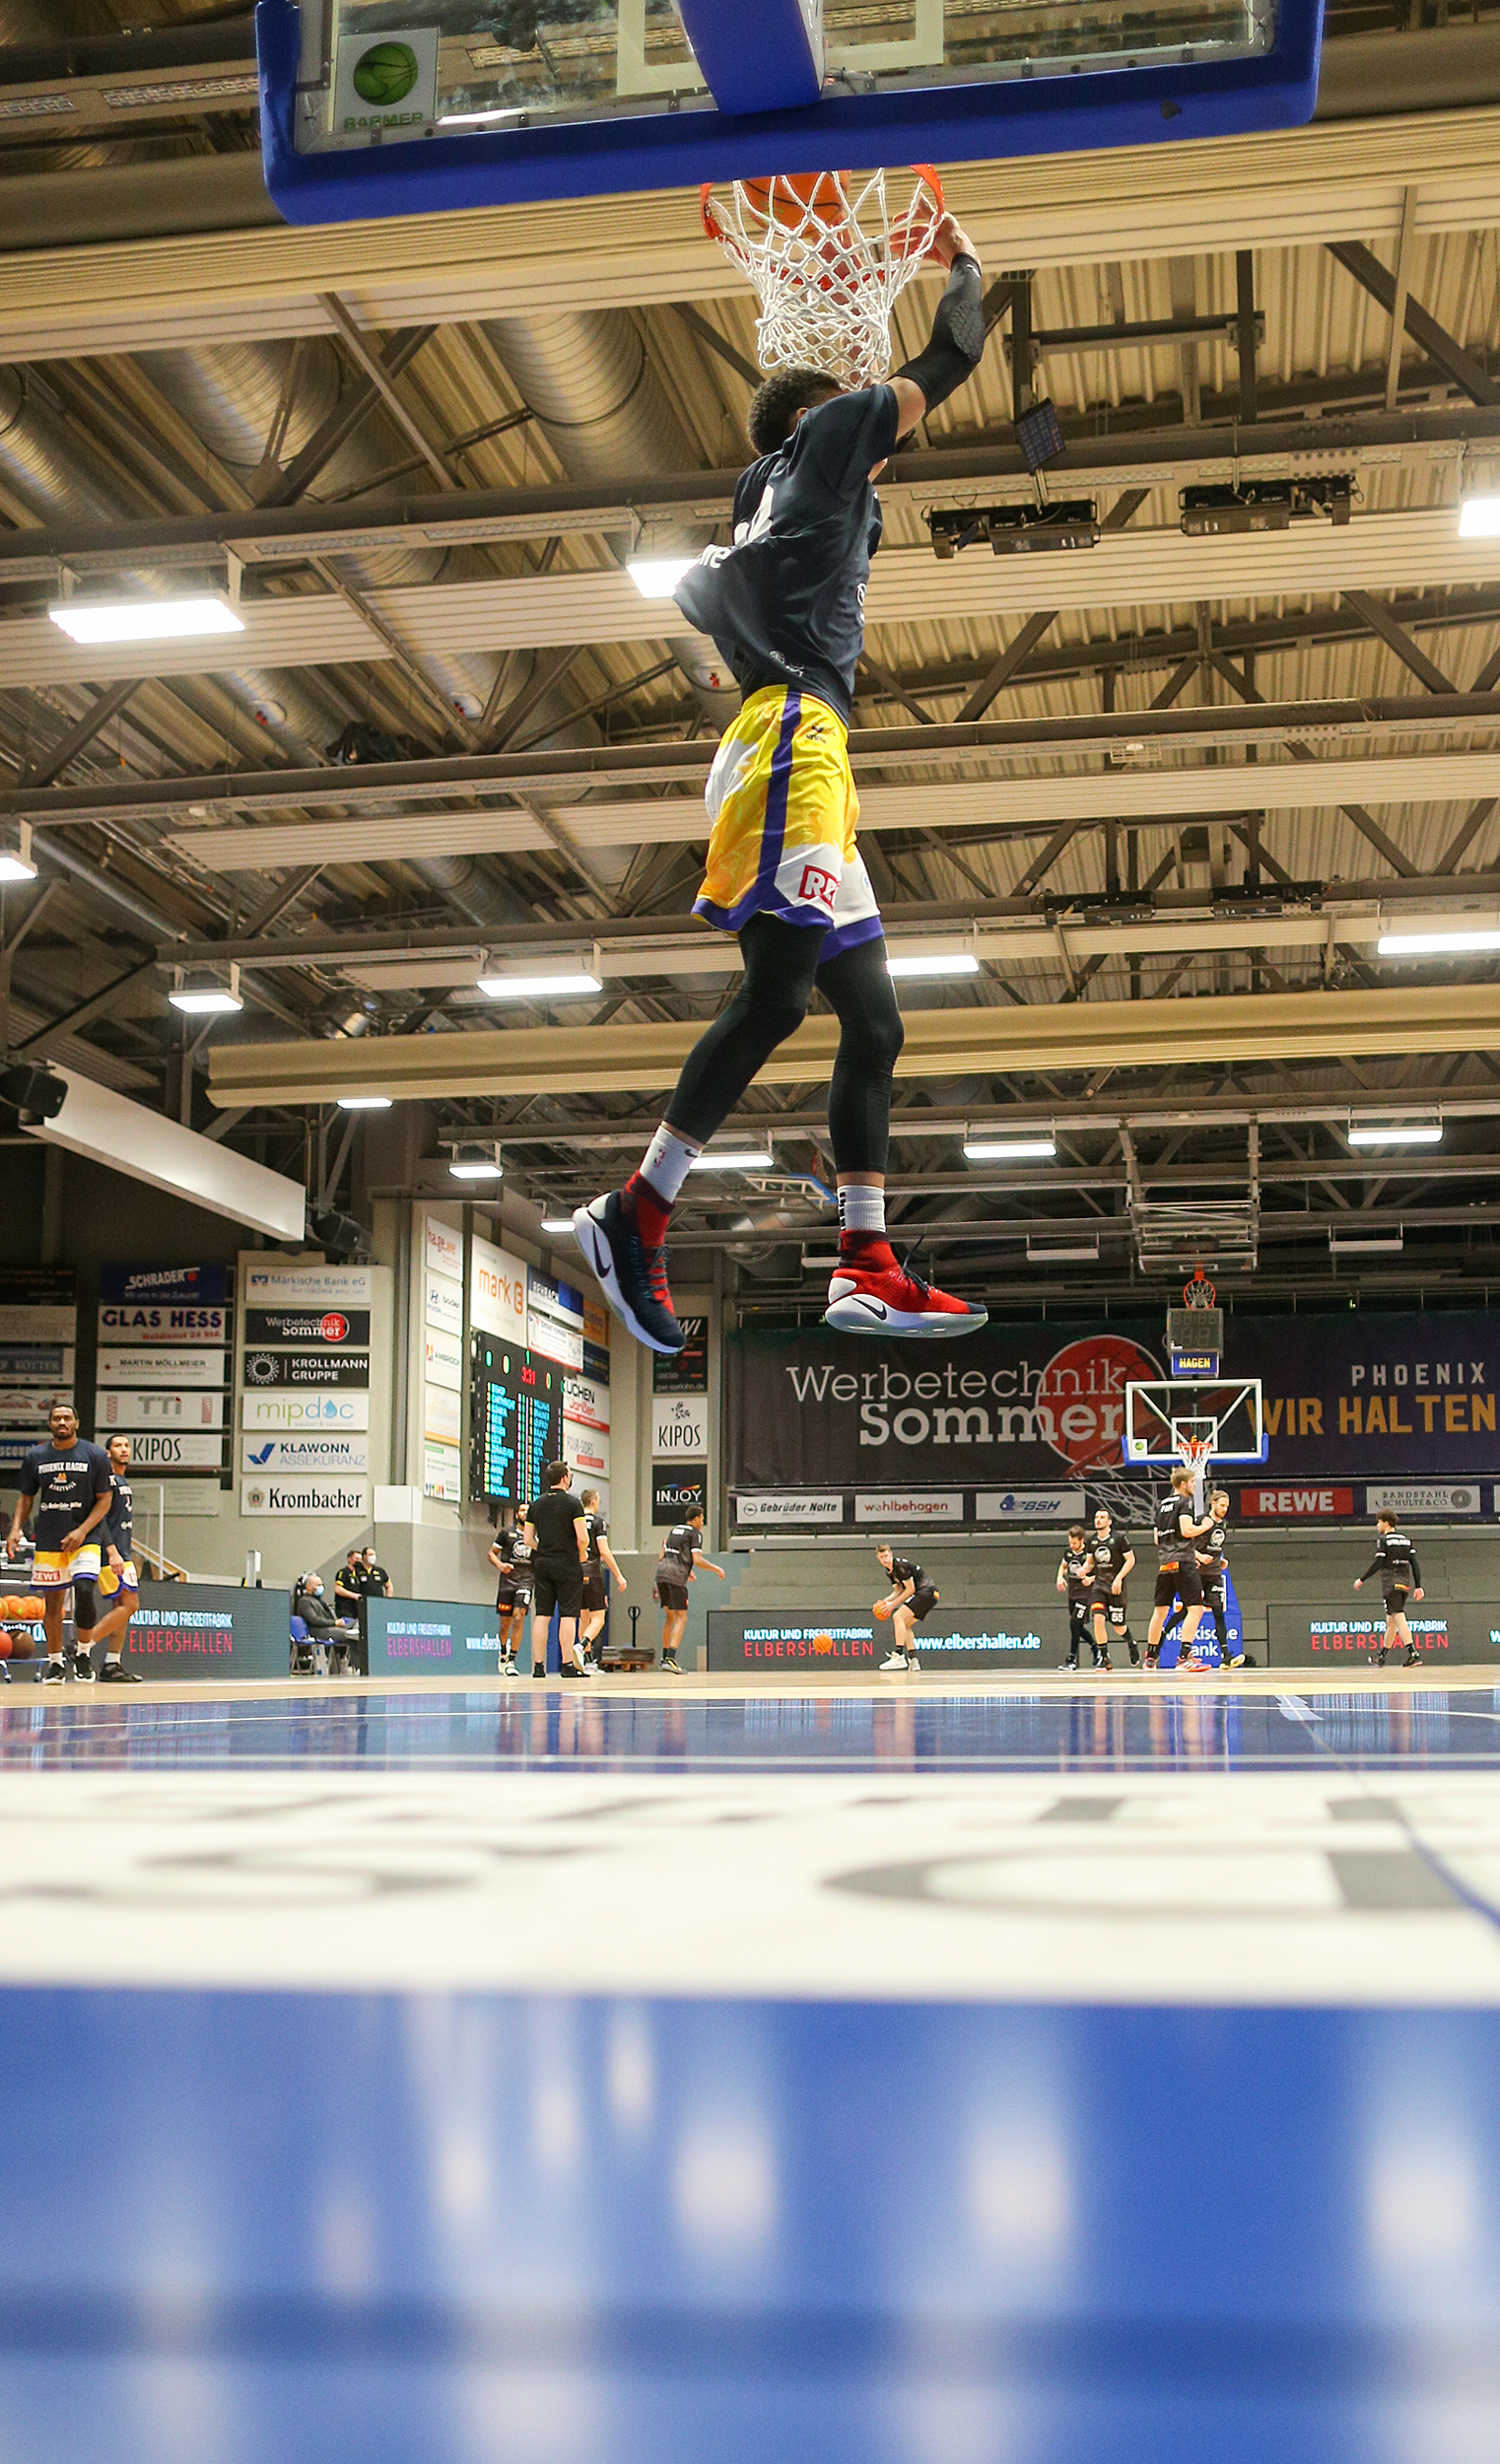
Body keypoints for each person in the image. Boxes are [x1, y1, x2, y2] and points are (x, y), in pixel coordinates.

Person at [571, 211, 990, 1356]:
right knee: (776, 997)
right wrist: (962, 260)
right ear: (823, 419)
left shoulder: (764, 493)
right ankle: (635, 1208)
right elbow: (952, 353)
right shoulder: (827, 438)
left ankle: (865, 1260)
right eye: (862, 421)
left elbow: (814, 544)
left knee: (874, 1020)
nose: (881, 435)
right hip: (794, 739)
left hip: (806, 747)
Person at [5, 1403, 111, 1683]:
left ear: (76, 1423)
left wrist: (83, 1530)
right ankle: (55, 1663)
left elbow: (105, 1500)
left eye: (67, 1418)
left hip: (85, 1536)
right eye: (56, 1418)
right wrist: (15, 1529)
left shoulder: (94, 1455)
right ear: (50, 1424)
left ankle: (84, 1652)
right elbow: (26, 1497)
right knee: (53, 1602)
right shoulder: (36, 1456)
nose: (62, 1422)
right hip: (50, 1537)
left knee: (84, 1589)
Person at [81, 1431, 144, 1683]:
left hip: (123, 1551)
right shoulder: (106, 1481)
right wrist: (111, 1550)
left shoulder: (122, 1480)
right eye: (118, 1445)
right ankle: (82, 1646)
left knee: (122, 1608)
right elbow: (100, 1518)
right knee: (131, 1604)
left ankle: (112, 1663)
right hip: (111, 1552)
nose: (124, 1449)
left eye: (127, 1445)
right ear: (108, 1453)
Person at [523, 1462, 590, 1679]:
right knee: (568, 1615)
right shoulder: (573, 1504)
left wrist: (544, 1548)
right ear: (564, 1478)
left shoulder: (535, 1504)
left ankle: (538, 1667)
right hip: (567, 1562)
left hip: (543, 1562)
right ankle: (567, 1665)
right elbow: (583, 1538)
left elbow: (528, 1539)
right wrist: (581, 1554)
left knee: (542, 1615)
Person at [1144, 1467, 1212, 1674]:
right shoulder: (1186, 1502)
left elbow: (1157, 1539)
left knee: (1160, 1611)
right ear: (1183, 1484)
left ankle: (1150, 1658)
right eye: (1192, 1482)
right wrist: (1206, 1525)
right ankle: (1183, 1658)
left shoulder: (1161, 1505)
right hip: (1183, 1561)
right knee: (1196, 1608)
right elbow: (1187, 1530)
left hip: (1165, 1562)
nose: (1194, 1485)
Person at [655, 1505, 723, 1675]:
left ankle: (664, 1658)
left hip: (661, 1574)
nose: (702, 1522)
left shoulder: (674, 1530)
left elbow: (662, 1556)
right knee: (682, 1617)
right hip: (676, 1578)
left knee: (669, 1616)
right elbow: (697, 1560)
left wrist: (686, 1570)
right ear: (697, 1518)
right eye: (702, 1518)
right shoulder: (695, 1534)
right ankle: (671, 1658)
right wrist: (716, 1569)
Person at [1354, 1512, 1424, 1669]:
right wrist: (1418, 1586)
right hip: (1404, 1584)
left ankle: (1413, 1653)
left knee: (1398, 1616)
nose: (1377, 1526)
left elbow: (1378, 1563)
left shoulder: (1384, 1540)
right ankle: (1382, 1656)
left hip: (1390, 1584)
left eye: (1379, 1522)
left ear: (1386, 1523)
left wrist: (1362, 1579)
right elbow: (1415, 1564)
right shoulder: (1406, 1540)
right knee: (1391, 1621)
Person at [577, 1485, 627, 1666]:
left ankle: (586, 1660)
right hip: (592, 1572)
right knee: (598, 1618)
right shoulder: (598, 1523)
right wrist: (619, 1575)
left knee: (583, 1617)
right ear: (593, 1502)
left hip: (575, 1572)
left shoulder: (575, 1521)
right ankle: (582, 1646)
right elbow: (604, 1551)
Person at [1198, 1487, 1248, 1670]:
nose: (1225, 1509)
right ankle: (1159, 1648)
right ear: (1213, 1503)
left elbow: (1213, 1546)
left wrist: (1220, 1560)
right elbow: (1188, 1545)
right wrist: (1199, 1557)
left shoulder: (1223, 1525)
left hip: (1213, 1574)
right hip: (1197, 1573)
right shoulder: (1202, 1521)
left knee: (1218, 1612)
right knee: (1188, 1611)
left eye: (1227, 1506)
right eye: (1222, 1505)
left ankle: (1226, 1655)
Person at [874, 1541, 937, 1675]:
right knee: (905, 1625)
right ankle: (913, 1659)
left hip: (926, 1591)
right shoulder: (889, 1571)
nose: (885, 1559)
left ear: (891, 1554)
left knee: (898, 1616)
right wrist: (885, 1601)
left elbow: (910, 1589)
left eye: (886, 1556)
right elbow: (898, 1590)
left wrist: (892, 1605)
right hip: (929, 1595)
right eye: (882, 1557)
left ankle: (899, 1655)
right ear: (878, 1558)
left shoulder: (900, 1566)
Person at [1088, 1506, 1136, 1672]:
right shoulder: (1091, 1540)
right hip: (1099, 1587)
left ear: (1109, 1522)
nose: (1098, 1520)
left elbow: (1131, 1560)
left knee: (1118, 1627)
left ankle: (1131, 1643)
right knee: (1098, 1619)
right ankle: (1105, 1658)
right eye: (1096, 1517)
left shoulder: (1119, 1538)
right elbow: (1090, 1563)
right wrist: (1083, 1571)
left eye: (1102, 1517)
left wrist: (1119, 1578)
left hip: (1115, 1587)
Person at [488, 1513, 532, 1676]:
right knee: (504, 1624)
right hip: (507, 1583)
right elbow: (491, 1553)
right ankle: (503, 1652)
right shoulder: (506, 1533)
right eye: (522, 1510)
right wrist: (500, 1565)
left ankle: (512, 1660)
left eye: (528, 1510)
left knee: (519, 1617)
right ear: (516, 1514)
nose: (525, 1513)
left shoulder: (536, 1536)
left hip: (526, 1581)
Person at [293, 1568, 359, 1674]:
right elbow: (314, 1620)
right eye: (318, 1585)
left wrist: (337, 1622)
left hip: (331, 1627)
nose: (321, 1587)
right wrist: (335, 1623)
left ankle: (355, 1639)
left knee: (358, 1623)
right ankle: (356, 1666)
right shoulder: (305, 1602)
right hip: (320, 1631)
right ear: (309, 1587)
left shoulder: (319, 1601)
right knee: (351, 1635)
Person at [1056, 1523, 1097, 1671]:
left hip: (1085, 1594)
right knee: (1077, 1626)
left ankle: (1072, 1658)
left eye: (1074, 1543)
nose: (1072, 1546)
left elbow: (1099, 1573)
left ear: (1082, 1540)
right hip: (1072, 1593)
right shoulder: (1068, 1552)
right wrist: (1060, 1577)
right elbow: (1064, 1566)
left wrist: (1090, 1579)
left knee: (1074, 1624)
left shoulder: (1089, 1554)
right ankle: (1095, 1648)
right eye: (1070, 1542)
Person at [333, 1547, 366, 1625]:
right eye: (356, 1559)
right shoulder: (343, 1572)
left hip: (356, 1610)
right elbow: (338, 1589)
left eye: (360, 1559)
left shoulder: (359, 1574)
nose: (359, 1561)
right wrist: (354, 1596)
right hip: (345, 1610)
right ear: (349, 1559)